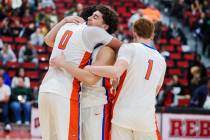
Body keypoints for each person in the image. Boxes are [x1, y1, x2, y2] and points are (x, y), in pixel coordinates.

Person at [38, 5, 121, 140]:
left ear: (105, 27)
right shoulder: (87, 37)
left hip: (94, 104)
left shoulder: (105, 49)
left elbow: (48, 40)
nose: (89, 19)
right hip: (74, 97)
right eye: (91, 16)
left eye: (95, 17)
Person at [85, 18, 166, 140]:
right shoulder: (161, 59)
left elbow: (116, 72)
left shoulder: (129, 48)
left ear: (134, 32)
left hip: (123, 114)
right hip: (146, 117)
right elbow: (155, 90)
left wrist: (90, 68)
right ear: (152, 35)